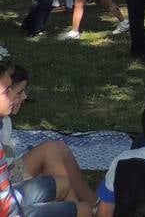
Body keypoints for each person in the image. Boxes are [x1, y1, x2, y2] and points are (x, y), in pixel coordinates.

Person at [1, 64, 96, 213]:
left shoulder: (5, 119)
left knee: (55, 148)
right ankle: (83, 209)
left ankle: (95, 205)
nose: (25, 96)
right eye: (18, 92)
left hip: (8, 180)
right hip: (6, 194)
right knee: (51, 152)